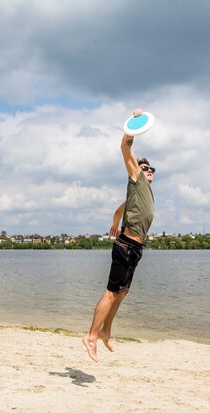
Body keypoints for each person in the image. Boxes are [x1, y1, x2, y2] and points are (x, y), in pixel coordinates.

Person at [82, 108, 155, 363]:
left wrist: (115, 219)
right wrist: (132, 126)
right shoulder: (136, 178)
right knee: (112, 292)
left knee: (123, 292)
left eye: (151, 169)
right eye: (144, 167)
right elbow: (125, 148)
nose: (148, 170)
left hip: (136, 249)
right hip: (126, 246)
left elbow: (121, 207)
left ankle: (105, 331)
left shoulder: (141, 191)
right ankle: (91, 336)